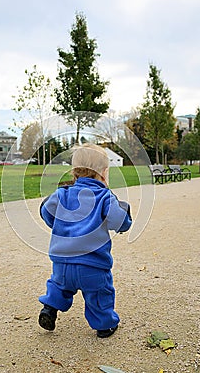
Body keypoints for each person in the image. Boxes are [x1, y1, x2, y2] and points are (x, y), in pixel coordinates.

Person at [38, 143, 132, 338]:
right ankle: (104, 325)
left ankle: (49, 308)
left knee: (58, 286)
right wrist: (125, 211)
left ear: (74, 172)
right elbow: (119, 221)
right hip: (93, 265)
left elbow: (45, 210)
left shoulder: (62, 193)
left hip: (62, 262)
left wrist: (57, 225)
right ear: (104, 173)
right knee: (99, 294)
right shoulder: (105, 196)